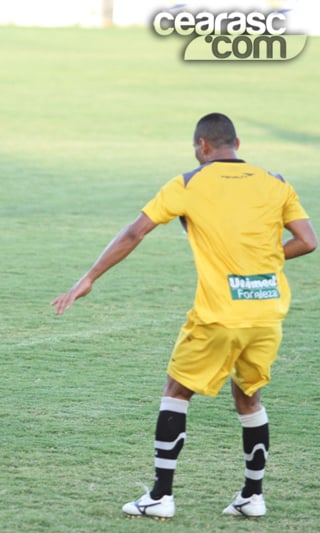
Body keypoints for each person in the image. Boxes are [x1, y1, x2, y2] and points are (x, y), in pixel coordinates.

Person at [51, 113, 316, 519]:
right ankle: (253, 496)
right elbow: (307, 241)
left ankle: (160, 496)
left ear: (202, 147)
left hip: (219, 315)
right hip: (267, 312)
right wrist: (258, 262)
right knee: (249, 397)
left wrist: (88, 278)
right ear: (238, 144)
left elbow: (134, 233)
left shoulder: (190, 182)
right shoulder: (276, 181)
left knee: (176, 391)